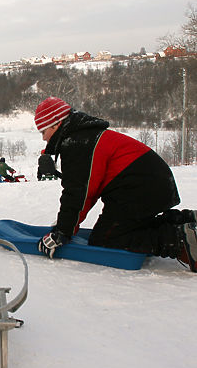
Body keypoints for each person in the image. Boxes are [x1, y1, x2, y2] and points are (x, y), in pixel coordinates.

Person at [33, 96, 197, 272]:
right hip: (150, 182)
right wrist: (66, 226)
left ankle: (180, 240)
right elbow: (87, 188)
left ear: (56, 124)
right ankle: (186, 220)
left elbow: (79, 193)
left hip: (139, 186)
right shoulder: (84, 135)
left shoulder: (77, 143)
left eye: (43, 131)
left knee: (106, 239)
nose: (44, 138)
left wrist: (62, 232)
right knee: (130, 225)